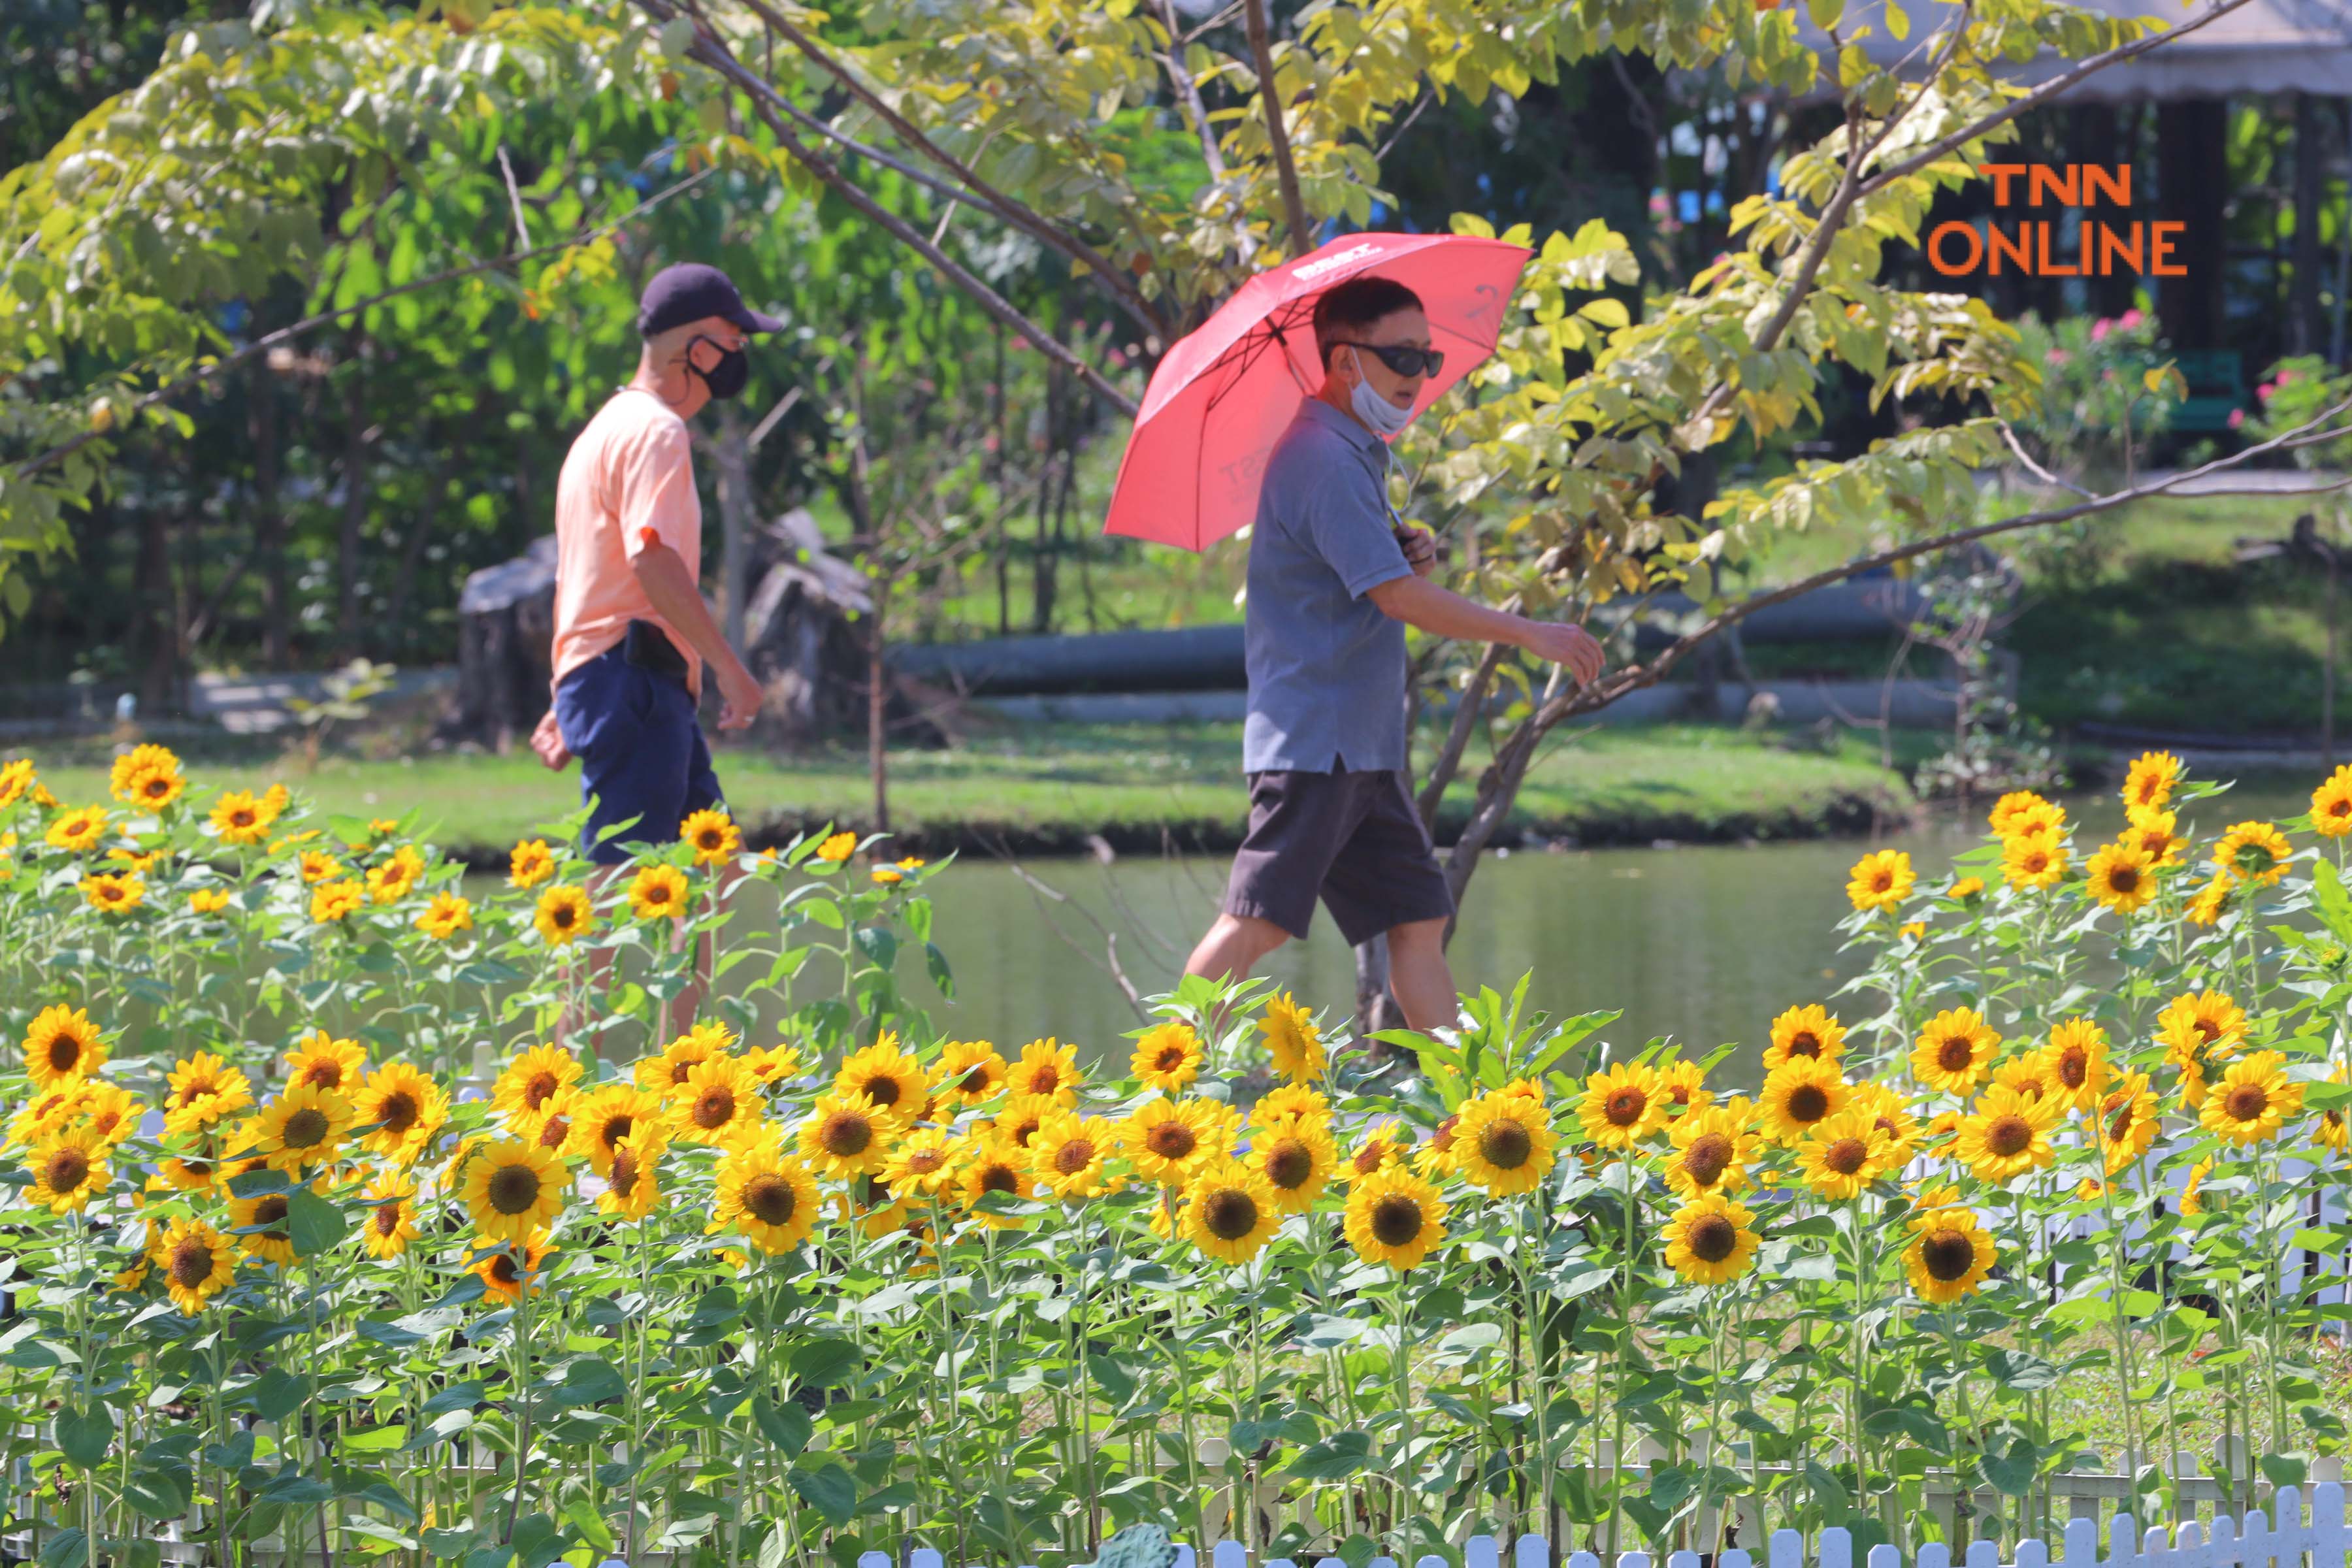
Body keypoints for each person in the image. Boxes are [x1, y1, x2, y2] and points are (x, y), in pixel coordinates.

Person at [1182, 274, 1606, 1031]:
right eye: (1402, 359)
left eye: (1428, 359)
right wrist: (1527, 632)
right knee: (1259, 919)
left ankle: (1463, 1114)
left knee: (1418, 920)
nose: (1419, 378)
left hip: (1360, 746)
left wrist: (1404, 551)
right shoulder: (1324, 457)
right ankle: (1168, 1085)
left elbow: (1373, 579)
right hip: (1316, 743)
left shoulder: (1352, 453)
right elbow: (1396, 600)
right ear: (1345, 363)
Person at [529, 261, 777, 864]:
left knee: (712, 867)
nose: (740, 354)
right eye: (734, 340)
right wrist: (728, 667)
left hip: (623, 676)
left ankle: (697, 967)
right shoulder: (657, 433)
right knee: (618, 880)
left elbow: (586, 581)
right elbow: (652, 562)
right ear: (695, 345)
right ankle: (574, 966)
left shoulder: (602, 431)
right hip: (633, 678)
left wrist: (570, 688)